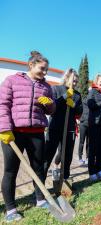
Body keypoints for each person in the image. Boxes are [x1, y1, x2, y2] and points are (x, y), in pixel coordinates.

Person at [0, 51, 55, 222]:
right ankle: (10, 209)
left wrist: (51, 105)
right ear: (31, 65)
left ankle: (40, 199)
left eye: (46, 70)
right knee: (10, 170)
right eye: (42, 69)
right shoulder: (12, 80)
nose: (44, 73)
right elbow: (3, 104)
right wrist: (4, 129)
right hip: (14, 134)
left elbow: (50, 111)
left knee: (38, 168)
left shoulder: (46, 87)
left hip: (37, 133)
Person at [44, 69, 82, 181]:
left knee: (67, 155)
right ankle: (40, 184)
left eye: (76, 81)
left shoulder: (77, 95)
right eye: (73, 80)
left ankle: (65, 178)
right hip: (55, 127)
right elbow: (52, 107)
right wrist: (65, 97)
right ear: (66, 78)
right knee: (48, 155)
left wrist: (74, 105)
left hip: (69, 128)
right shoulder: (55, 89)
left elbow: (80, 112)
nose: (74, 83)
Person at [77, 95, 89, 166]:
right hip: (83, 123)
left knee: (89, 142)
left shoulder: (93, 102)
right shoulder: (83, 101)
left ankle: (87, 157)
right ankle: (80, 158)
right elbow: (79, 110)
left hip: (90, 124)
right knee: (81, 141)